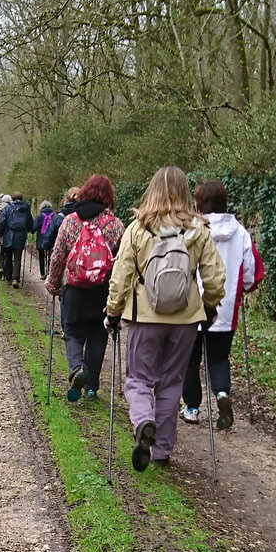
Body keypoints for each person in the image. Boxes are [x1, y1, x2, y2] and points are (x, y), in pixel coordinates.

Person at [105, 165, 226, 470]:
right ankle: (160, 451)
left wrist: (113, 311)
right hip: (185, 320)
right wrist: (209, 308)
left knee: (138, 379)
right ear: (186, 193)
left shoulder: (138, 228)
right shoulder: (199, 230)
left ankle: (144, 421)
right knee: (172, 383)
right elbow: (215, 279)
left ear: (152, 189)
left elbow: (120, 278)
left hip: (145, 317)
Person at [181, 180, 264, 430]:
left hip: (193, 305)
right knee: (218, 358)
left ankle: (192, 408)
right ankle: (221, 394)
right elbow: (251, 273)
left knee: (190, 359)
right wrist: (244, 288)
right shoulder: (240, 233)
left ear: (198, 203)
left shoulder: (192, 229)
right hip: (225, 308)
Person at [45, 174, 124, 402]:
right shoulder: (116, 225)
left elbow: (58, 254)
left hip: (75, 289)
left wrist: (53, 282)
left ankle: (77, 368)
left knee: (72, 333)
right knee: (98, 335)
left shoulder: (71, 221)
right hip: (102, 290)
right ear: (109, 196)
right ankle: (91, 387)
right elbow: (122, 261)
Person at [0, 191, 33, 286]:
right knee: (17, 257)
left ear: (12, 199)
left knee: (8, 256)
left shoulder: (8, 208)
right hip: (20, 236)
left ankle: (8, 278)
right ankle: (16, 279)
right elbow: (30, 223)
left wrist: (0, 232)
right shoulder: (26, 209)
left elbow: (1, 222)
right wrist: (26, 231)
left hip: (8, 235)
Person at [33, 200, 56, 278]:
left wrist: (32, 231)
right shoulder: (54, 216)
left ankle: (43, 274)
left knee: (41, 256)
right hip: (51, 239)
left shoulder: (40, 216)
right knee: (50, 256)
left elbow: (34, 228)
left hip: (41, 239)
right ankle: (49, 273)